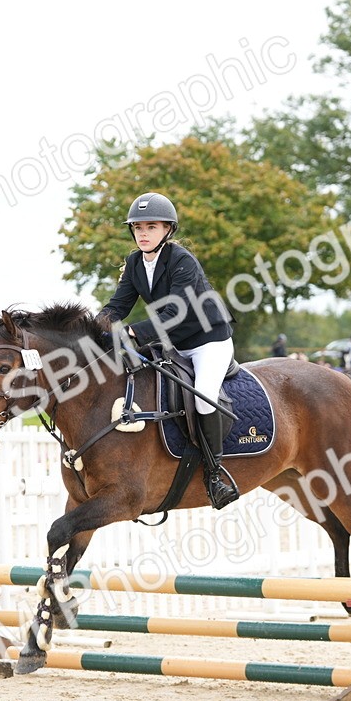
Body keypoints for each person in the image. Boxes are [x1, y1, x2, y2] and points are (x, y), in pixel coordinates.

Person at [95, 191, 239, 509]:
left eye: (151, 227)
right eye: (138, 227)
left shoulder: (182, 261)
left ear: (167, 230)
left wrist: (131, 332)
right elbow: (117, 306)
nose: (143, 233)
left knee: (203, 395)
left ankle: (216, 474)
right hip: (174, 345)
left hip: (209, 341)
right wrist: (95, 330)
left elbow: (176, 313)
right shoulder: (134, 263)